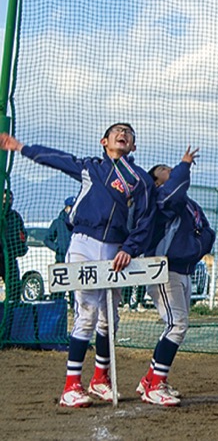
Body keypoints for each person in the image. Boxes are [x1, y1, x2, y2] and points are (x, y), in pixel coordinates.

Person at [1, 125, 155, 408]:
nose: (123, 134)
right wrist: (22, 147)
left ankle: (100, 379)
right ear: (104, 141)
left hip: (116, 250)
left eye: (129, 133)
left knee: (110, 318)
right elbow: (57, 158)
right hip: (83, 243)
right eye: (117, 131)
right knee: (87, 313)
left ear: (134, 146)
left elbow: (146, 221)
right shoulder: (90, 168)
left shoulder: (140, 180)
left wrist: (129, 249)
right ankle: (71, 386)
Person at [140, 147, 213, 406]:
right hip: (163, 269)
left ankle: (150, 378)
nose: (168, 169)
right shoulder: (160, 197)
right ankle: (155, 384)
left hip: (183, 269)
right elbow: (174, 190)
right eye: (162, 169)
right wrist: (184, 165)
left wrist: (195, 248)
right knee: (177, 325)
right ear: (157, 180)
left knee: (176, 324)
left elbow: (207, 231)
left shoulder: (189, 204)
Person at [1, 188, 28, 304]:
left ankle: (13, 308)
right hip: (1, 254)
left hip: (10, 256)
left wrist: (21, 247)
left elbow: (22, 234)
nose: (8, 201)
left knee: (14, 285)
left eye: (10, 199)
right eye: (5, 199)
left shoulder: (15, 216)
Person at [45, 196, 74, 264]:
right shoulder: (58, 223)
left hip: (77, 259)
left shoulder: (81, 223)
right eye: (71, 207)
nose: (73, 209)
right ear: (66, 208)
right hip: (61, 260)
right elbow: (47, 239)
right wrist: (58, 248)